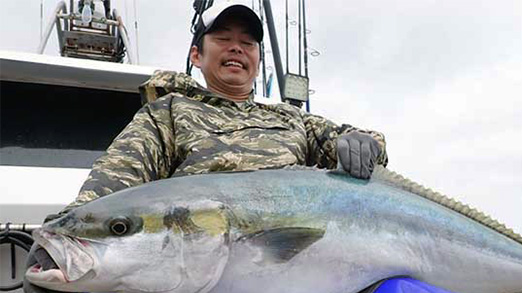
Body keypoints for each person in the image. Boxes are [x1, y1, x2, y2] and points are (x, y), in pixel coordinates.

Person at [55, 1, 387, 218]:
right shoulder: (168, 113)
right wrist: (67, 233)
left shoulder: (290, 118)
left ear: (257, 61)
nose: (236, 49)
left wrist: (362, 142)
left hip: (295, 248)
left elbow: (362, 146)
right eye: (223, 38)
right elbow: (116, 178)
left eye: (248, 43)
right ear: (196, 55)